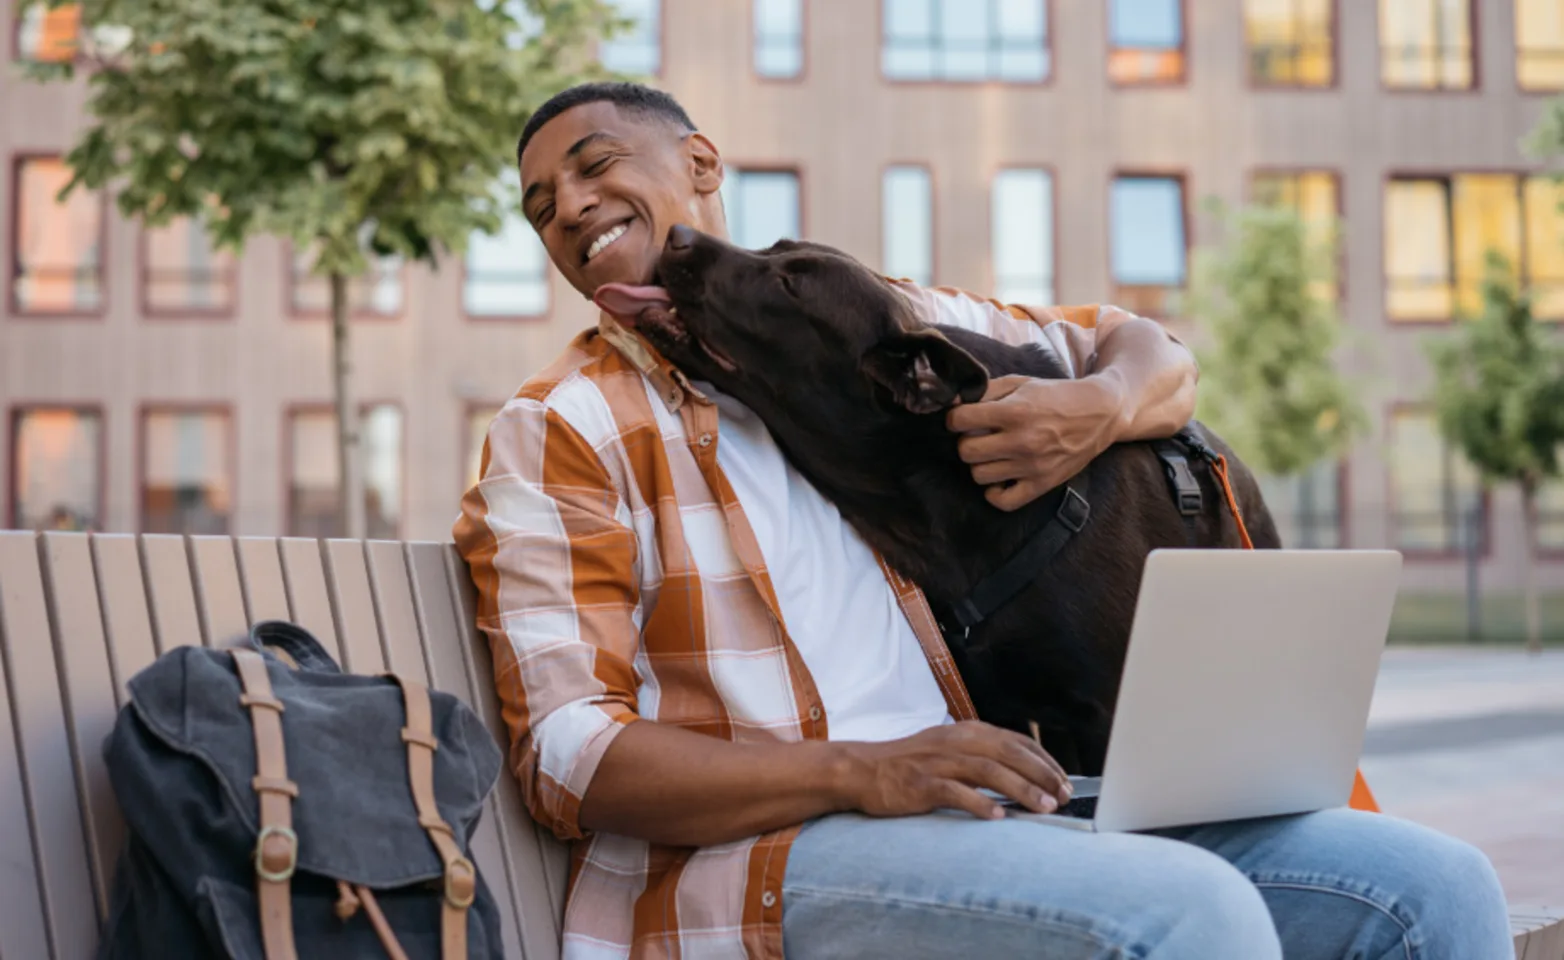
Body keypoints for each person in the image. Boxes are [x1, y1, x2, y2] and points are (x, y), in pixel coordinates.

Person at [454, 82, 1511, 960]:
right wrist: (865, 769)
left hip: (986, 816)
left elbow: (1138, 346)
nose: (572, 207)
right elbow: (569, 758)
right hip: (759, 863)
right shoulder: (562, 426)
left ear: (699, 163)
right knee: (1185, 914)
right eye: (542, 205)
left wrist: (1096, 409)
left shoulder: (861, 312)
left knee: (1435, 886)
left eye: (595, 165)